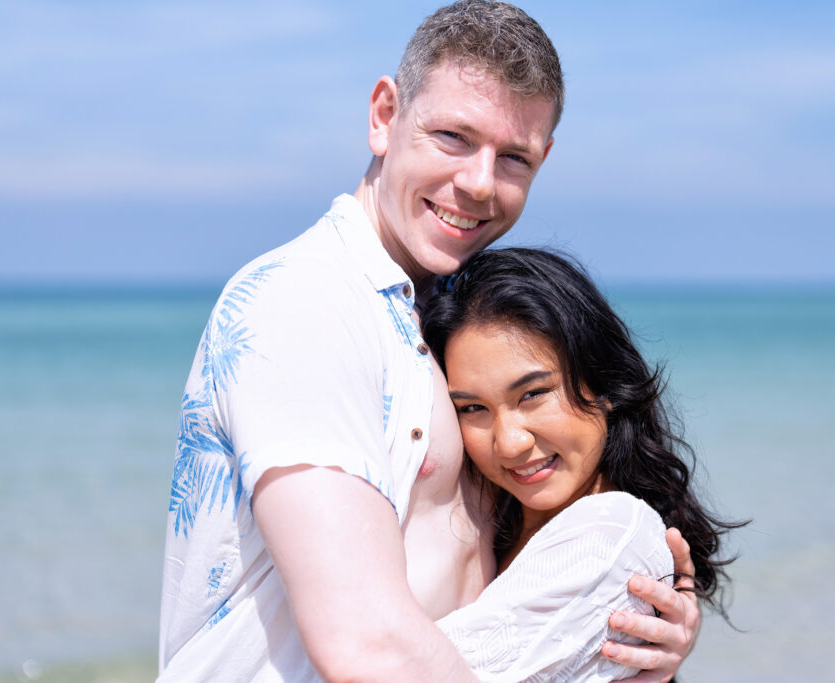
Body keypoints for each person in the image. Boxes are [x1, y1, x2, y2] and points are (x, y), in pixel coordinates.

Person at [158, 2, 700, 680]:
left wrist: (629, 623)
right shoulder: (310, 300)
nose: (477, 182)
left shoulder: (430, 318)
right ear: (385, 115)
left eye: (512, 158)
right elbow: (363, 641)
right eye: (452, 136)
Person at [422, 247, 745, 680]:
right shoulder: (494, 512)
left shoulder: (611, 535)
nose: (510, 443)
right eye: (472, 408)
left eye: (533, 394)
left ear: (605, 384)